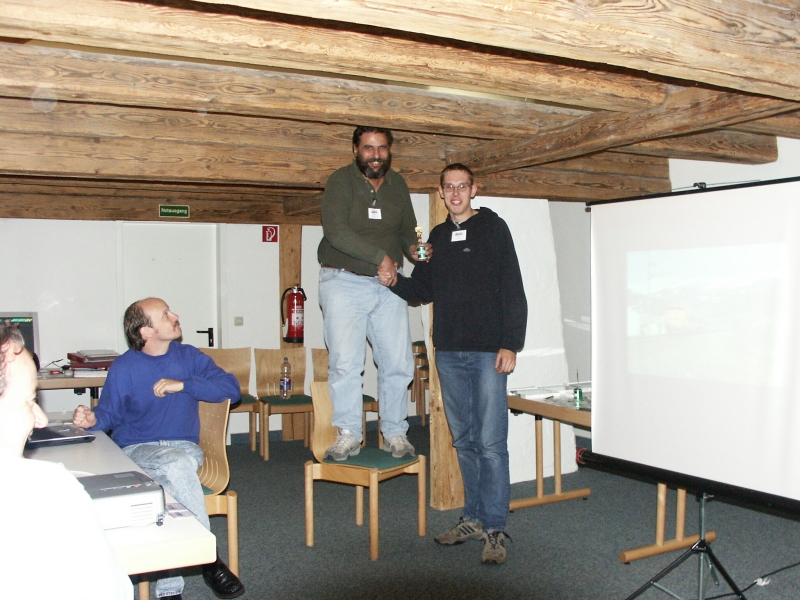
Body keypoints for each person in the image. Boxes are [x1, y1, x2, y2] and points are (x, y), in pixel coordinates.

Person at [385, 163, 528, 565]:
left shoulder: (494, 229)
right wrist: (394, 279)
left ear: (473, 189)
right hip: (448, 352)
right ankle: (474, 518)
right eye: (448, 187)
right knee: (464, 440)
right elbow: (423, 289)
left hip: (488, 352)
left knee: (490, 443)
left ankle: (495, 528)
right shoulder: (437, 237)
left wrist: (511, 344)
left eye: (462, 186)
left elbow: (513, 288)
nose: (455, 193)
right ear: (441, 192)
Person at [73, 298, 245, 600]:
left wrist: (184, 384)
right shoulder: (124, 367)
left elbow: (231, 388)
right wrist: (92, 419)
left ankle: (170, 590)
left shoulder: (189, 357)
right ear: (146, 331)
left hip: (184, 449)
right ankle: (209, 560)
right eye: (165, 314)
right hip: (139, 451)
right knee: (173, 471)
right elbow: (109, 414)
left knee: (170, 477)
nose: (175, 315)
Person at [317, 125, 431, 460]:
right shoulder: (340, 181)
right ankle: (349, 434)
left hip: (389, 285)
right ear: (355, 150)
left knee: (398, 362)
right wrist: (380, 258)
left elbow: (408, 230)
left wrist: (417, 250)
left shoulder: (398, 185)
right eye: (368, 148)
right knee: (346, 364)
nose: (376, 155)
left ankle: (395, 433)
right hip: (343, 281)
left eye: (382, 148)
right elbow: (336, 231)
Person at [0, 324, 133, 599]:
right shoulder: (51, 487)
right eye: (29, 401)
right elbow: (112, 592)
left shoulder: (189, 358)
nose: (41, 419)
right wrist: (96, 419)